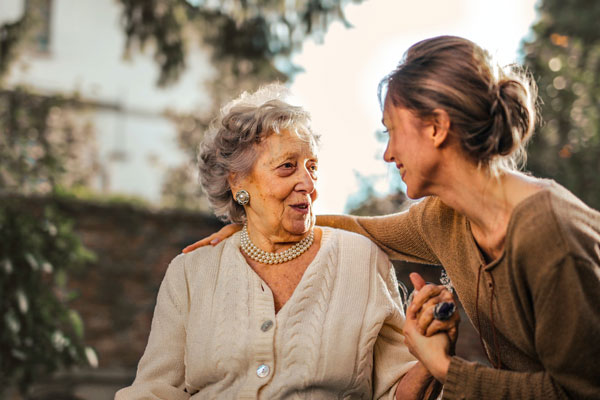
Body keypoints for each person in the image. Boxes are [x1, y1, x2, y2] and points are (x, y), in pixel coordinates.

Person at [183, 36, 600, 399]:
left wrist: (445, 370)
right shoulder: (444, 218)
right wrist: (255, 219)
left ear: (436, 128)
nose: (388, 153)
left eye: (392, 131)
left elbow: (580, 392)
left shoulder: (551, 236)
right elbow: (361, 228)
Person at [116, 84, 458, 399]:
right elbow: (155, 390)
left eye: (312, 167)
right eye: (287, 167)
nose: (308, 183)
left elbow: (395, 392)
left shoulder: (362, 260)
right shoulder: (191, 273)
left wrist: (431, 360)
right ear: (238, 184)